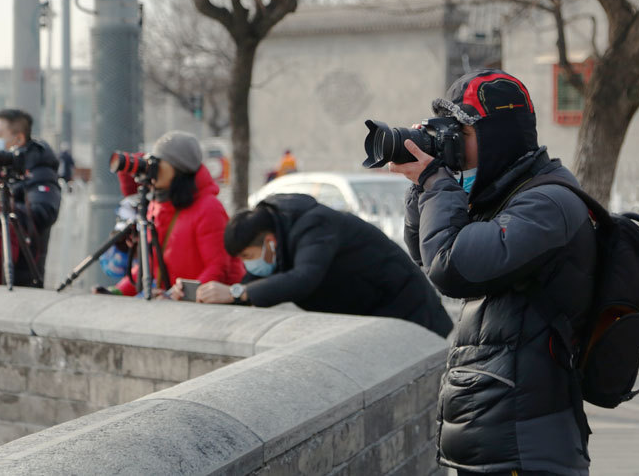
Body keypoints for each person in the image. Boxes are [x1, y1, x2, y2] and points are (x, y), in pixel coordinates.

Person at [389, 69, 598, 475]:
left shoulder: (547, 205)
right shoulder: (503, 197)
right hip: (498, 440)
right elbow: (425, 253)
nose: (453, 147)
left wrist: (436, 183)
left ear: (497, 136)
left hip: (527, 445)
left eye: (461, 135)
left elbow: (450, 268)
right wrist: (422, 188)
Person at [194, 194, 454, 338]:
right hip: (372, 314)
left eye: (248, 255)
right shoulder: (280, 237)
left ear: (269, 241)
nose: (248, 264)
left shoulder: (314, 225)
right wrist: (213, 295)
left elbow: (304, 277)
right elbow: (255, 284)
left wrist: (236, 293)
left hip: (410, 311)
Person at [96, 130, 244, 296]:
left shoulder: (209, 208)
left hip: (213, 307)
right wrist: (116, 292)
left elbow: (218, 268)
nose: (153, 168)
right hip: (179, 305)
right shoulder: (158, 206)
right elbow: (150, 264)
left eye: (158, 163)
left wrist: (181, 297)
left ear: (179, 168)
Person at [0, 109, 61, 286]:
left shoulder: (40, 171)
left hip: (22, 272)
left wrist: (2, 208)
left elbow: (43, 213)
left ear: (18, 139)